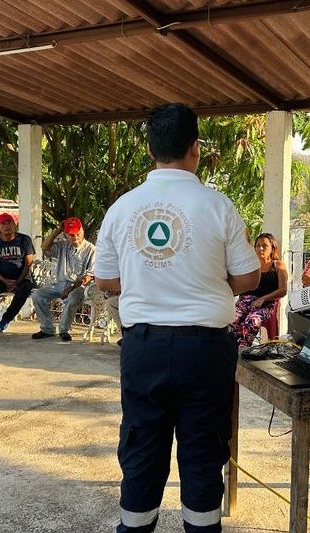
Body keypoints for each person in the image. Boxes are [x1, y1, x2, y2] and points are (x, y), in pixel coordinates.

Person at [94, 103, 260, 532]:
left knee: (141, 447)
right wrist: (206, 278)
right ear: (196, 148)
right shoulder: (218, 205)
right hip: (205, 351)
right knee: (203, 452)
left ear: (151, 149)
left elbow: (107, 282)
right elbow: (248, 277)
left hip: (143, 348)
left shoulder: (122, 208)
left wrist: (147, 278)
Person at [31, 216, 95, 342]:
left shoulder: (91, 249)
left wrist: (71, 287)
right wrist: (57, 230)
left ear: (82, 231)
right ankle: (47, 329)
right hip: (60, 283)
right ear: (66, 235)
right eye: (71, 235)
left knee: (72, 297)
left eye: (78, 234)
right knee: (37, 295)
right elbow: (44, 247)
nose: (75, 238)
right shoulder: (63, 246)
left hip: (80, 286)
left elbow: (88, 276)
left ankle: (64, 330)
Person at [230, 232, 288, 346]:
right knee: (231, 320)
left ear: (272, 248)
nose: (260, 248)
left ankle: (242, 350)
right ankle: (229, 347)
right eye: (258, 245)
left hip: (266, 304)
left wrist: (263, 298)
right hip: (245, 301)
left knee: (252, 321)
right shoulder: (250, 265)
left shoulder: (278, 265)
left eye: (265, 246)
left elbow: (283, 290)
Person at [0, 213, 35, 334]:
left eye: (10, 222)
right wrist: (6, 281)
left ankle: (6, 320)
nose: (7, 226)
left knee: (25, 288)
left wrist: (17, 282)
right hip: (3, 279)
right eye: (3, 223)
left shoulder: (24, 239)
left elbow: (29, 263)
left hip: (22, 278)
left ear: (14, 224)